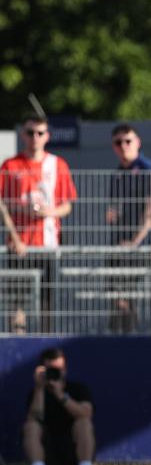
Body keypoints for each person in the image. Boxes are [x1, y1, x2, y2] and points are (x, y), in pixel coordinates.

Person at [0, 115, 77, 333]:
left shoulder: (57, 164)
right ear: (23, 135)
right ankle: (17, 341)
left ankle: (45, 344)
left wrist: (48, 212)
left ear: (47, 136)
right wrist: (15, 233)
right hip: (20, 244)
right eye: (30, 133)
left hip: (47, 243)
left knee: (46, 301)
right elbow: (2, 204)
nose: (35, 138)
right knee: (17, 300)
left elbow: (67, 205)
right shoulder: (10, 165)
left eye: (40, 133)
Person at [105, 124, 151, 332]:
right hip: (119, 244)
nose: (123, 146)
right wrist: (111, 214)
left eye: (128, 141)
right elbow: (114, 207)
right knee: (116, 296)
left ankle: (130, 337)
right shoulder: (117, 173)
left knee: (127, 295)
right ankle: (121, 336)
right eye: (118, 142)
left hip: (138, 246)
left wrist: (135, 242)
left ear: (137, 142)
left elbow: (150, 213)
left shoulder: (146, 169)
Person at [23, 347, 95, 465]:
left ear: (65, 369)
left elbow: (86, 413)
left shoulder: (78, 389)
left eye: (59, 369)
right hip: (46, 447)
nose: (55, 373)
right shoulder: (36, 392)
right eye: (51, 370)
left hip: (73, 446)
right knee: (31, 426)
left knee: (84, 423)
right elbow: (34, 417)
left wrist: (60, 395)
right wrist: (39, 388)